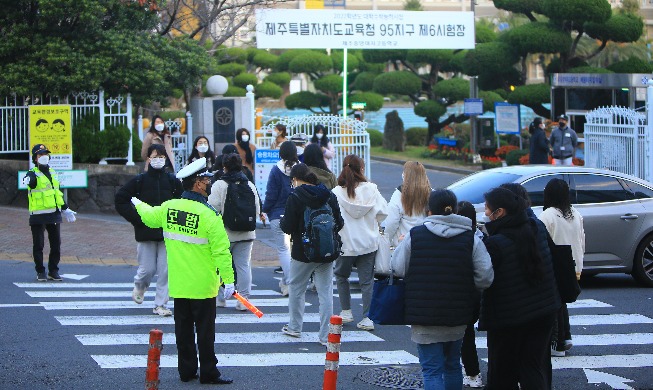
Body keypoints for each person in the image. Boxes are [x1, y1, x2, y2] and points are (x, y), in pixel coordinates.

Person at [132, 157, 235, 385]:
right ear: (197, 183)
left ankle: (187, 371)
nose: (209, 183)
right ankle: (209, 372)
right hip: (203, 285)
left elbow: (149, 218)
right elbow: (222, 252)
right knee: (205, 334)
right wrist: (229, 281)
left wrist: (136, 202)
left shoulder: (170, 207)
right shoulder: (209, 216)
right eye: (206, 180)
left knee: (184, 331)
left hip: (179, 285)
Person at [392, 190, 493, 390]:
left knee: (431, 370)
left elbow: (398, 268)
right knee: (453, 365)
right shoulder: (470, 237)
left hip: (423, 314)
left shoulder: (416, 235)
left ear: (429, 211)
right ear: (454, 210)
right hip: (457, 314)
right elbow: (485, 276)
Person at [480, 187, 561, 390]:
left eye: (488, 209)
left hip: (510, 316)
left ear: (500, 212)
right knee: (532, 366)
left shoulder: (496, 244)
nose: (485, 213)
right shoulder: (536, 227)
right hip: (544, 309)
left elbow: (484, 278)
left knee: (503, 372)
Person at [115, 144, 183, 316]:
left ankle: (161, 305)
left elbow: (183, 203)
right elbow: (121, 199)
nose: (158, 160)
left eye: (161, 157)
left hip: (168, 233)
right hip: (145, 232)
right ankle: (140, 286)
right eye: (155, 156)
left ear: (166, 159)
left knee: (166, 270)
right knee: (147, 270)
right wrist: (136, 218)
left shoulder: (173, 181)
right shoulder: (139, 181)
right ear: (148, 159)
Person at [279, 164, 344, 345]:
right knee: (326, 293)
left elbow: (287, 226)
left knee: (297, 288)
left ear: (296, 179)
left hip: (302, 252)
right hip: (327, 251)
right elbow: (339, 222)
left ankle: (294, 328)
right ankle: (325, 336)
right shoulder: (329, 195)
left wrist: (284, 221)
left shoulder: (296, 197)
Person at [332, 154, 388, 331]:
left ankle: (346, 311)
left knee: (341, 276)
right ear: (361, 169)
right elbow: (383, 214)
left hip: (345, 242)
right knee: (366, 281)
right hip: (367, 242)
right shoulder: (372, 190)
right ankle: (367, 317)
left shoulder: (336, 193)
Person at [539, 178, 585, 358]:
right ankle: (565, 337)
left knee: (554, 303)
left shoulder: (547, 215)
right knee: (562, 301)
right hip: (573, 265)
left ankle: (556, 343)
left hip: (555, 265)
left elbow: (542, 242)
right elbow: (582, 240)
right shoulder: (575, 214)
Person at [208, 153, 260, 310]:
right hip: (246, 233)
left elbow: (212, 209)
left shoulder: (219, 184)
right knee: (243, 266)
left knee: (219, 265)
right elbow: (257, 208)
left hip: (225, 233)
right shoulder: (249, 185)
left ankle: (220, 298)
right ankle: (243, 300)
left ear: (224, 167)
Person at [23, 144, 77, 281]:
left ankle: (53, 271)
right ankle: (40, 271)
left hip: (53, 214)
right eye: (40, 155)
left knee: (56, 244)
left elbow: (56, 193)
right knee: (39, 245)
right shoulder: (32, 173)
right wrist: (28, 180)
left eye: (45, 154)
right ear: (35, 158)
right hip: (38, 215)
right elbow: (30, 181)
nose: (43, 157)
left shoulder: (53, 172)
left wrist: (65, 208)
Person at [263, 141, 300, 296]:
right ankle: (286, 282)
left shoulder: (276, 170)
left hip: (278, 214)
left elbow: (271, 194)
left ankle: (291, 283)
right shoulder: (300, 169)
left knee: (284, 249)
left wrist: (265, 209)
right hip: (297, 214)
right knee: (294, 250)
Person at [456, 200, 486, 388]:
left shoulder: (458, 239)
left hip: (462, 292)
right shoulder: (481, 236)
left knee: (465, 335)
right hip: (480, 291)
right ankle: (474, 374)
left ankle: (472, 373)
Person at [381, 161, 430, 247]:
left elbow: (391, 222)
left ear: (406, 175)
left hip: (404, 242)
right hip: (426, 242)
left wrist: (387, 241)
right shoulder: (430, 193)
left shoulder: (399, 194)